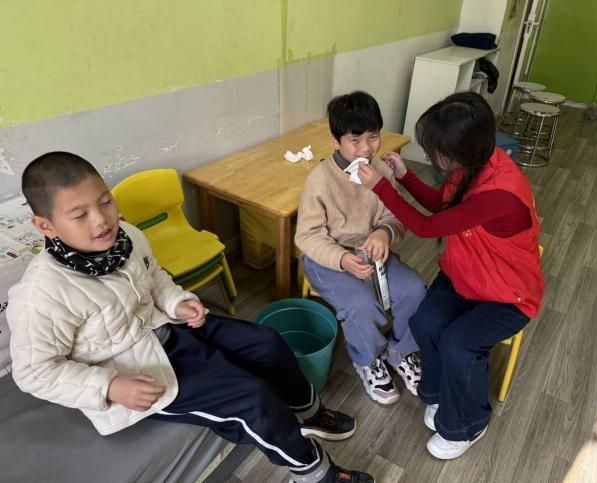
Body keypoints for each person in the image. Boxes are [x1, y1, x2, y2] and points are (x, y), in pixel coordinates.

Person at [8, 152, 374, 483]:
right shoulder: (40, 293)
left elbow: (155, 277)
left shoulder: (127, 236)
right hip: (134, 369)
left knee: (267, 342)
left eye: (105, 201)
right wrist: (109, 387)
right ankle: (315, 474)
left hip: (167, 327)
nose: (102, 220)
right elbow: (34, 372)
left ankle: (309, 413)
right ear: (45, 226)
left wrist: (177, 302)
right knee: (255, 400)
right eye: (80, 215)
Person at [358, 92, 544, 459]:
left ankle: (468, 424)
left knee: (459, 344)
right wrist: (405, 176)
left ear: (460, 149)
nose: (431, 156)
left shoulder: (500, 194)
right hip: (466, 276)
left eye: (435, 151)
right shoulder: (470, 166)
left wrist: (380, 187)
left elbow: (428, 227)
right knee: (425, 322)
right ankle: (441, 393)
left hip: (508, 295)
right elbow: (441, 206)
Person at [295, 91, 425, 406]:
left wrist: (383, 233)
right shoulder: (319, 180)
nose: (366, 148)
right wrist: (341, 259)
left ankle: (402, 352)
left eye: (373, 137)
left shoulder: (380, 170)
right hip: (328, 258)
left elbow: (395, 217)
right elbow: (307, 236)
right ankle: (368, 360)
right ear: (335, 141)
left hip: (372, 253)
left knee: (414, 290)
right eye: (355, 140)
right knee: (361, 305)